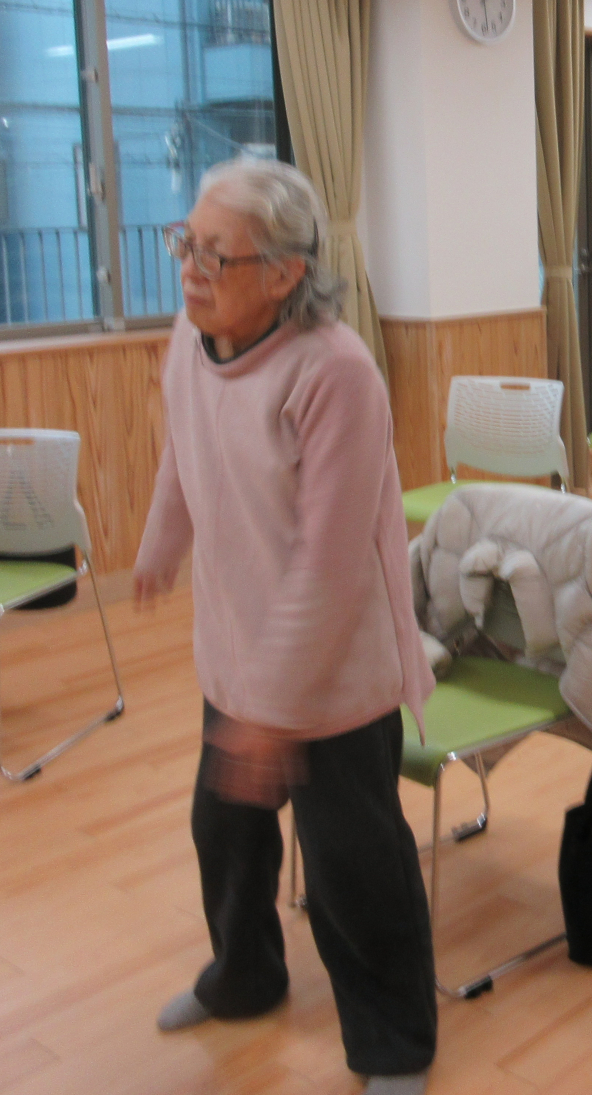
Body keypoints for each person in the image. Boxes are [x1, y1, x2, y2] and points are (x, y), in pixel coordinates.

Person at [133, 160, 438, 1095]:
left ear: (285, 272)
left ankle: (395, 1042)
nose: (190, 268)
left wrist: (274, 710)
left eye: (214, 254)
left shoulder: (335, 372)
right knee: (223, 835)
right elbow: (184, 447)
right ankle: (246, 977)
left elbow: (331, 563)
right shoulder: (193, 338)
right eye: (186, 242)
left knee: (352, 864)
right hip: (238, 657)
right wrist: (161, 542)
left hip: (334, 676)